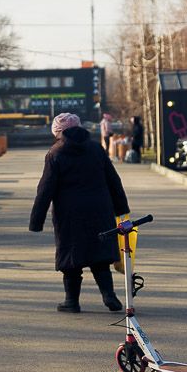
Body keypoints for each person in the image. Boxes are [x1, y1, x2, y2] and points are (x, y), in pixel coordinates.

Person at [29, 112, 130, 313]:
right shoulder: (95, 148)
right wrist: (121, 209)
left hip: (70, 214)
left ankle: (71, 301)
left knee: (71, 259)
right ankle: (109, 295)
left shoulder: (55, 153)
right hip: (100, 209)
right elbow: (113, 179)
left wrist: (36, 221)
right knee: (100, 256)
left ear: (57, 133)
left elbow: (45, 188)